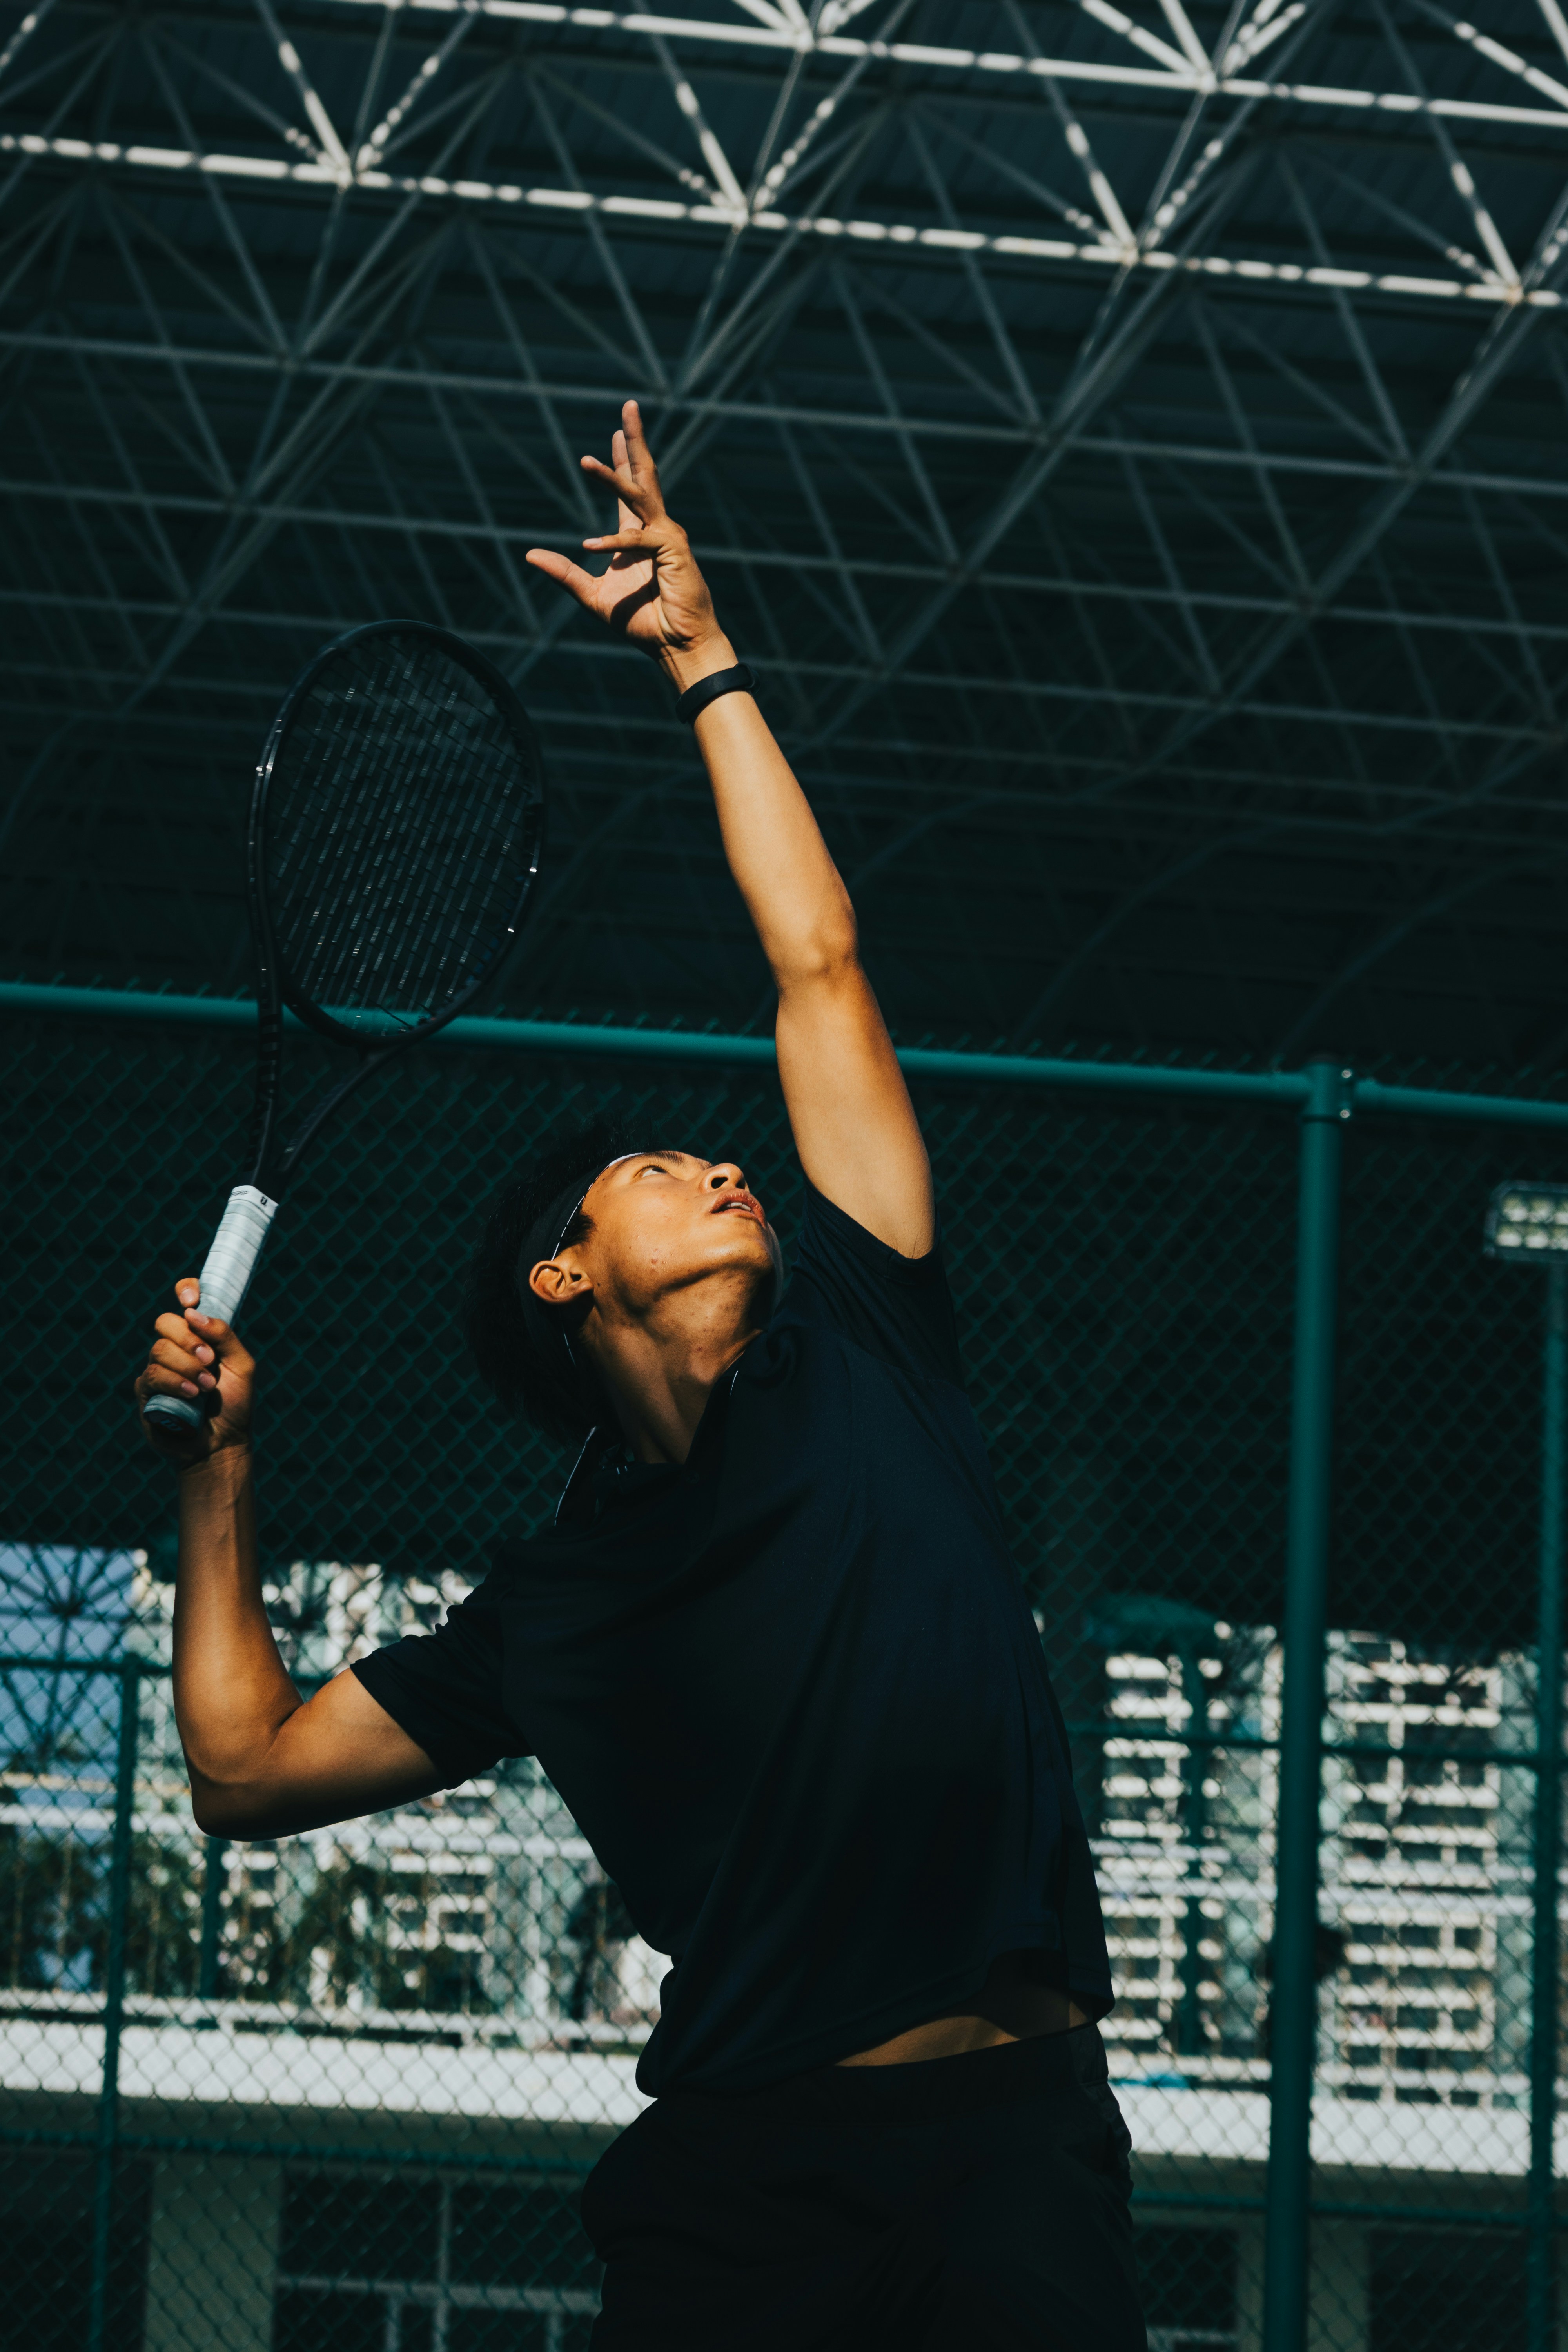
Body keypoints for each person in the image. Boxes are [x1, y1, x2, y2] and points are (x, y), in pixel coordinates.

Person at [135, 403, 1144, 2351]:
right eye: (654, 1169)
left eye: (718, 1153)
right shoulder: (559, 1611)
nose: (718, 1159)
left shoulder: (870, 1327)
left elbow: (821, 965)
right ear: (565, 1268)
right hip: (751, 2192)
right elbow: (243, 1773)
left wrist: (701, 658)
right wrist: (220, 1482)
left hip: (1020, 2147)